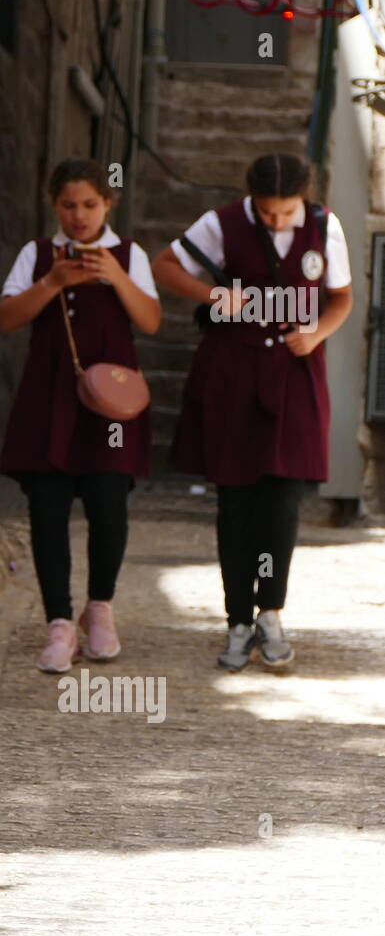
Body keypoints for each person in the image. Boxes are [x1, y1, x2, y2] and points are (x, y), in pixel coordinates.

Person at [152, 152, 353, 670]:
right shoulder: (223, 222)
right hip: (232, 374)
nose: (278, 222)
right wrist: (217, 295)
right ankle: (236, 619)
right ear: (253, 201)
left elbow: (341, 299)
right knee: (236, 500)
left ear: (303, 200)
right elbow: (165, 266)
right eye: (268, 213)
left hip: (294, 376)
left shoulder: (325, 226)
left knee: (284, 498)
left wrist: (316, 334)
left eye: (286, 213)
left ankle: (271, 612)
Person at [0, 157, 160, 673]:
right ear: (54, 206)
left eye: (89, 204)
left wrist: (112, 274)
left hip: (111, 405)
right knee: (47, 510)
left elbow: (151, 320)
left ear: (107, 204)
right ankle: (58, 622)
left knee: (109, 503)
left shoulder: (129, 254)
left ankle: (101, 609)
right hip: (50, 399)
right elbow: (6, 317)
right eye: (68, 205)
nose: (79, 215)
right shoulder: (38, 254)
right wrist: (52, 282)